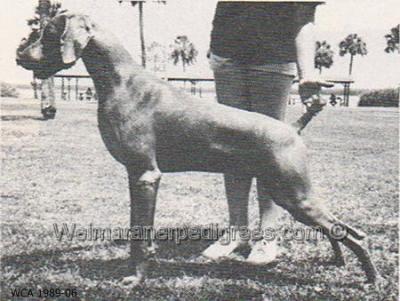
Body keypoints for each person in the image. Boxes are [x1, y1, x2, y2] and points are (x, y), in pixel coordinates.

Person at [202, 0, 333, 264]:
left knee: (269, 149)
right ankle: (236, 231)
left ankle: (268, 235)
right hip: (227, 58)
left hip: (273, 60)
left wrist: (306, 73)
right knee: (232, 146)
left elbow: (304, 18)